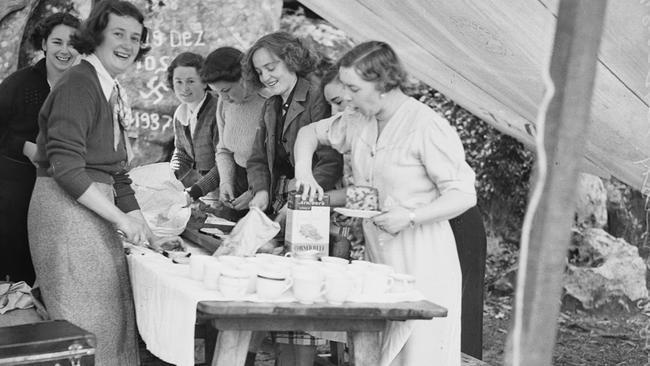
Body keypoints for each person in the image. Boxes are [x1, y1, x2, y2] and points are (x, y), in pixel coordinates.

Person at [294, 41, 477, 365]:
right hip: (379, 255)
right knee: (380, 353)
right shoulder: (358, 119)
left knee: (419, 353)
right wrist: (304, 175)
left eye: (353, 87)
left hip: (423, 254)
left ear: (383, 83)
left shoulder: (426, 125)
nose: (346, 97)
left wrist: (410, 216)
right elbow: (308, 134)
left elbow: (463, 194)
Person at [27, 1, 161, 364]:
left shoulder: (109, 88)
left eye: (135, 37)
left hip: (88, 207)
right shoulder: (79, 83)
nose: (128, 44)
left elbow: (117, 171)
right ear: (96, 36)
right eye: (118, 33)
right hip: (64, 211)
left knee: (110, 319)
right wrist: (122, 220)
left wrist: (143, 225)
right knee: (87, 324)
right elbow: (67, 169)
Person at [241, 31, 343, 366]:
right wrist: (260, 191)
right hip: (280, 203)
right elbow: (258, 158)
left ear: (292, 59)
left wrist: (300, 202)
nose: (265, 76)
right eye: (259, 71)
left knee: (302, 301)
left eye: (271, 66)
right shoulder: (271, 102)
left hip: (313, 205)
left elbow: (329, 161)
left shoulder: (316, 95)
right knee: (279, 297)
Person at [0, 12, 80, 286]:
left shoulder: (81, 88)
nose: (65, 50)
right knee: (17, 277)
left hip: (62, 192)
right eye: (57, 42)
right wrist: (25, 147)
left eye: (72, 43)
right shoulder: (18, 84)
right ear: (44, 44)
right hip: (15, 195)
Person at [200, 46, 266, 214]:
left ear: (244, 77)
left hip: (267, 187)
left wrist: (255, 192)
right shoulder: (224, 103)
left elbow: (283, 161)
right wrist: (226, 183)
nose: (223, 98)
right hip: (238, 183)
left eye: (226, 90)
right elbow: (223, 150)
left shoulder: (271, 101)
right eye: (217, 93)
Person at [167, 52, 220, 205]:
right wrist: (168, 179)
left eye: (191, 81)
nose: (184, 88)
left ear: (205, 82)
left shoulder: (217, 111)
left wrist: (194, 192)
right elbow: (183, 154)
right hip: (204, 194)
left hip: (228, 194)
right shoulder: (180, 113)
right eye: (178, 81)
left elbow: (225, 162)